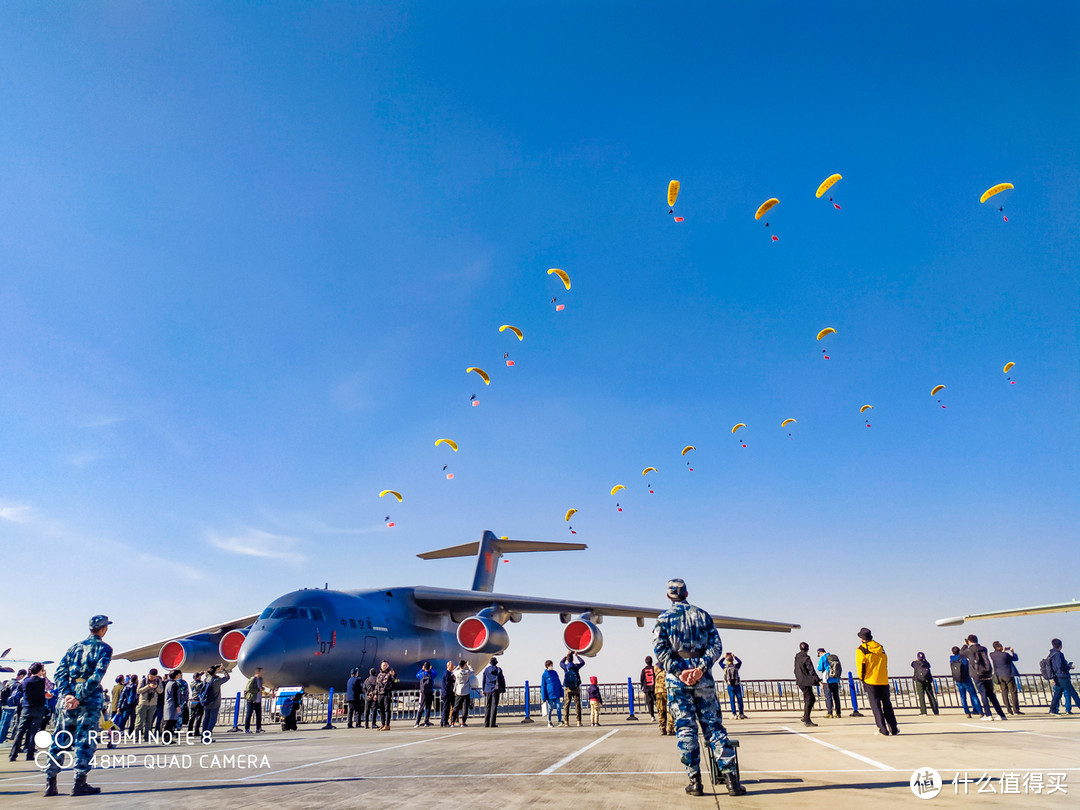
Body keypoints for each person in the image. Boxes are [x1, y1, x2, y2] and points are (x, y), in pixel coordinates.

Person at [654, 578, 743, 797]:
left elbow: (660, 650)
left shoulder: (663, 619)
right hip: (703, 680)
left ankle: (695, 781)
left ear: (668, 596)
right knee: (713, 728)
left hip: (678, 682)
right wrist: (701, 668)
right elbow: (716, 646)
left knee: (685, 729)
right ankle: (731, 780)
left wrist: (679, 671)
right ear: (686, 593)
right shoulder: (703, 615)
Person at [43, 615, 113, 797]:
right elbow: (97, 676)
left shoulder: (74, 648)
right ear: (104, 629)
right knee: (85, 741)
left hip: (67, 700)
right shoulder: (104, 648)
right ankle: (79, 783)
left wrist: (67, 695)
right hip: (88, 701)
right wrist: (79, 697)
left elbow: (59, 673)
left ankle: (51, 784)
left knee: (59, 740)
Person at [855, 627, 898, 736]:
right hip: (883, 679)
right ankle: (893, 728)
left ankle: (883, 729)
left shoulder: (861, 649)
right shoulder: (880, 647)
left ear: (862, 638)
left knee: (876, 706)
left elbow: (861, 665)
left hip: (870, 680)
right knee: (887, 704)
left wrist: (862, 677)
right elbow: (885, 663)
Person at [8, 663, 49, 761]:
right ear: (40, 671)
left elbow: (20, 691)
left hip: (26, 709)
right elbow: (50, 687)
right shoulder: (43, 681)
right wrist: (45, 676)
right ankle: (29, 754)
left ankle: (13, 754)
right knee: (33, 733)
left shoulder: (25, 681)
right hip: (38, 709)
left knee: (20, 732)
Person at [963, 635, 1006, 721]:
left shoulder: (969, 650)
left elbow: (961, 653)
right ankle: (1001, 714)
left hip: (977, 674)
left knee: (983, 694)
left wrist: (965, 645)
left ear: (969, 641)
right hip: (987, 674)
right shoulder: (984, 648)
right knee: (992, 695)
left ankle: (988, 714)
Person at [1047, 638, 1080, 715]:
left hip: (1056, 677)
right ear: (1060, 646)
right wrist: (1068, 667)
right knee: (1074, 693)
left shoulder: (1051, 654)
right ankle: (1053, 709)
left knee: (1057, 694)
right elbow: (1059, 666)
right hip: (1062, 676)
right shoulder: (1058, 654)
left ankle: (1052, 710)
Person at [949, 646, 981, 718]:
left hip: (958, 679)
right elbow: (967, 666)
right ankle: (980, 711)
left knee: (962, 697)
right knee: (973, 695)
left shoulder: (951, 660)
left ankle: (967, 712)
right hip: (966, 678)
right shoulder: (963, 659)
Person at [990, 642, 1021, 715]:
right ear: (998, 647)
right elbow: (1015, 659)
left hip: (999, 676)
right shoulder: (1005, 655)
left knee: (1004, 692)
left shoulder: (992, 655)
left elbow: (999, 656)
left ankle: (1008, 709)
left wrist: (1002, 651)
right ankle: (1016, 709)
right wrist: (1012, 652)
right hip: (1008, 674)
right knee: (1013, 692)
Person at [794, 642, 820, 727]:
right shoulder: (806, 658)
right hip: (806, 681)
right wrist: (818, 680)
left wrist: (798, 678)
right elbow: (811, 670)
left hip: (800, 681)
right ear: (807, 649)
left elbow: (795, 669)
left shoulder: (797, 657)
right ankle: (807, 719)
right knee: (810, 699)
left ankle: (805, 717)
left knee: (808, 699)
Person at [200, 664, 229, 737]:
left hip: (206, 702)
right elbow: (227, 677)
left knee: (206, 720)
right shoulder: (216, 680)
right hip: (214, 703)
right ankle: (207, 736)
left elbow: (209, 674)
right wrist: (223, 670)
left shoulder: (206, 679)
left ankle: (203, 736)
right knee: (212, 720)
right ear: (215, 671)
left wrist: (213, 669)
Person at [136, 669, 163, 742]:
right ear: (149, 675)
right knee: (140, 721)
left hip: (153, 704)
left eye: (154, 677)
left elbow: (161, 691)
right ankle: (136, 737)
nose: (153, 678)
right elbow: (138, 691)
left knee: (149, 721)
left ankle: (146, 736)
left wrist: (156, 687)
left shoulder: (158, 681)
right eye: (152, 677)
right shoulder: (143, 680)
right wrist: (148, 686)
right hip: (143, 703)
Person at [816, 648, 842, 719]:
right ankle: (838, 713)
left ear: (820, 652)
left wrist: (817, 666)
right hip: (835, 679)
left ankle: (830, 713)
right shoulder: (833, 657)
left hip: (827, 680)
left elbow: (820, 668)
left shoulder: (823, 658)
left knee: (828, 697)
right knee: (836, 697)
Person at [561, 652, 585, 727]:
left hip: (568, 689)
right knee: (577, 705)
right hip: (576, 687)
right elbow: (583, 662)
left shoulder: (565, 667)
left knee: (567, 705)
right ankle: (578, 721)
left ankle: (566, 721)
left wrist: (566, 655)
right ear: (573, 659)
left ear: (567, 660)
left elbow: (560, 663)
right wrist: (577, 655)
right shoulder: (576, 666)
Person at [481, 656, 506, 728]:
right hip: (495, 689)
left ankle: (486, 723)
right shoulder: (498, 670)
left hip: (487, 690)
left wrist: (483, 689)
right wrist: (503, 688)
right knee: (494, 706)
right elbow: (502, 680)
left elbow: (484, 680)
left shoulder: (486, 670)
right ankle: (492, 723)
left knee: (488, 706)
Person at [540, 660, 563, 727]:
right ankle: (549, 721)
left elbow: (559, 683)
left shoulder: (555, 673)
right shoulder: (544, 675)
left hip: (557, 693)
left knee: (558, 707)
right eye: (550, 665)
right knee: (550, 708)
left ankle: (559, 721)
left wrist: (561, 693)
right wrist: (543, 697)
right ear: (547, 666)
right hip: (549, 694)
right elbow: (543, 686)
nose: (551, 666)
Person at [653, 658, 674, 735]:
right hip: (668, 690)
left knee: (661, 710)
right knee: (670, 710)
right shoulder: (670, 664)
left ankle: (662, 728)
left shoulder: (656, 667)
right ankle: (670, 729)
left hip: (658, 690)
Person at [163, 670, 184, 740]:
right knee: (170, 723)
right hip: (172, 705)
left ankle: (167, 738)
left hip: (168, 705)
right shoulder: (174, 684)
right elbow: (175, 696)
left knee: (169, 723)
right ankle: (166, 738)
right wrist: (177, 706)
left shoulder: (168, 683)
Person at [414, 661, 435, 727]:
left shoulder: (421, 674)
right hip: (430, 692)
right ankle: (426, 721)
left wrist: (422, 669)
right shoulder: (431, 674)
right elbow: (435, 673)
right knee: (428, 707)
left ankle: (417, 722)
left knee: (421, 707)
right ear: (429, 667)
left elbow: (416, 675)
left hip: (423, 693)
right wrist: (431, 669)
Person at [244, 666, 265, 733]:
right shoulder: (253, 679)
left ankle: (258, 728)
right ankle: (247, 729)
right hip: (252, 699)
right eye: (260, 672)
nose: (262, 673)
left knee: (259, 715)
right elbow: (248, 689)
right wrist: (258, 690)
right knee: (249, 714)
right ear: (257, 672)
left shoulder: (261, 679)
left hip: (258, 700)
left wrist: (262, 689)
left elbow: (260, 687)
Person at [452, 660, 473, 727]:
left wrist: (458, 666)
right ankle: (463, 722)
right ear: (464, 665)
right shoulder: (467, 672)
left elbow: (453, 671)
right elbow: (473, 672)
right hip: (466, 690)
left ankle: (452, 721)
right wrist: (469, 665)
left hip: (458, 690)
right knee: (465, 707)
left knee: (456, 707)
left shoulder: (456, 672)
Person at [640, 655, 657, 720]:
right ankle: (661, 714)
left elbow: (641, 679)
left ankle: (652, 716)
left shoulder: (644, 670)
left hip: (647, 689)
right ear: (652, 661)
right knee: (657, 702)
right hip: (654, 688)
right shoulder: (654, 669)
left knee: (649, 703)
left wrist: (642, 686)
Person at [439, 662, 455, 727]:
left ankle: (443, 721)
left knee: (446, 708)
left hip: (447, 693)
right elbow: (448, 684)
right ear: (448, 666)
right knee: (446, 708)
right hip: (446, 693)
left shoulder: (449, 673)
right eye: (452, 665)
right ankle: (444, 722)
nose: (453, 667)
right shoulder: (447, 674)